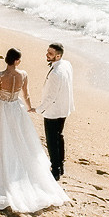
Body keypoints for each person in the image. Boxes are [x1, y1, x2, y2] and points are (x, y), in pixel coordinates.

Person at [0, 48, 69, 213]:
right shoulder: (23, 75)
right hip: (16, 109)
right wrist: (30, 108)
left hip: (1, 110)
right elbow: (26, 94)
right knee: (19, 141)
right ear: (17, 61)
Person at [31, 42, 74, 181]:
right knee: (59, 137)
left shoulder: (56, 73)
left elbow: (51, 97)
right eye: (47, 52)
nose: (47, 55)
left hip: (54, 111)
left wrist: (38, 109)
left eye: (50, 53)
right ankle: (60, 166)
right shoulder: (67, 64)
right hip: (64, 108)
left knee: (51, 141)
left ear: (58, 56)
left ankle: (55, 170)